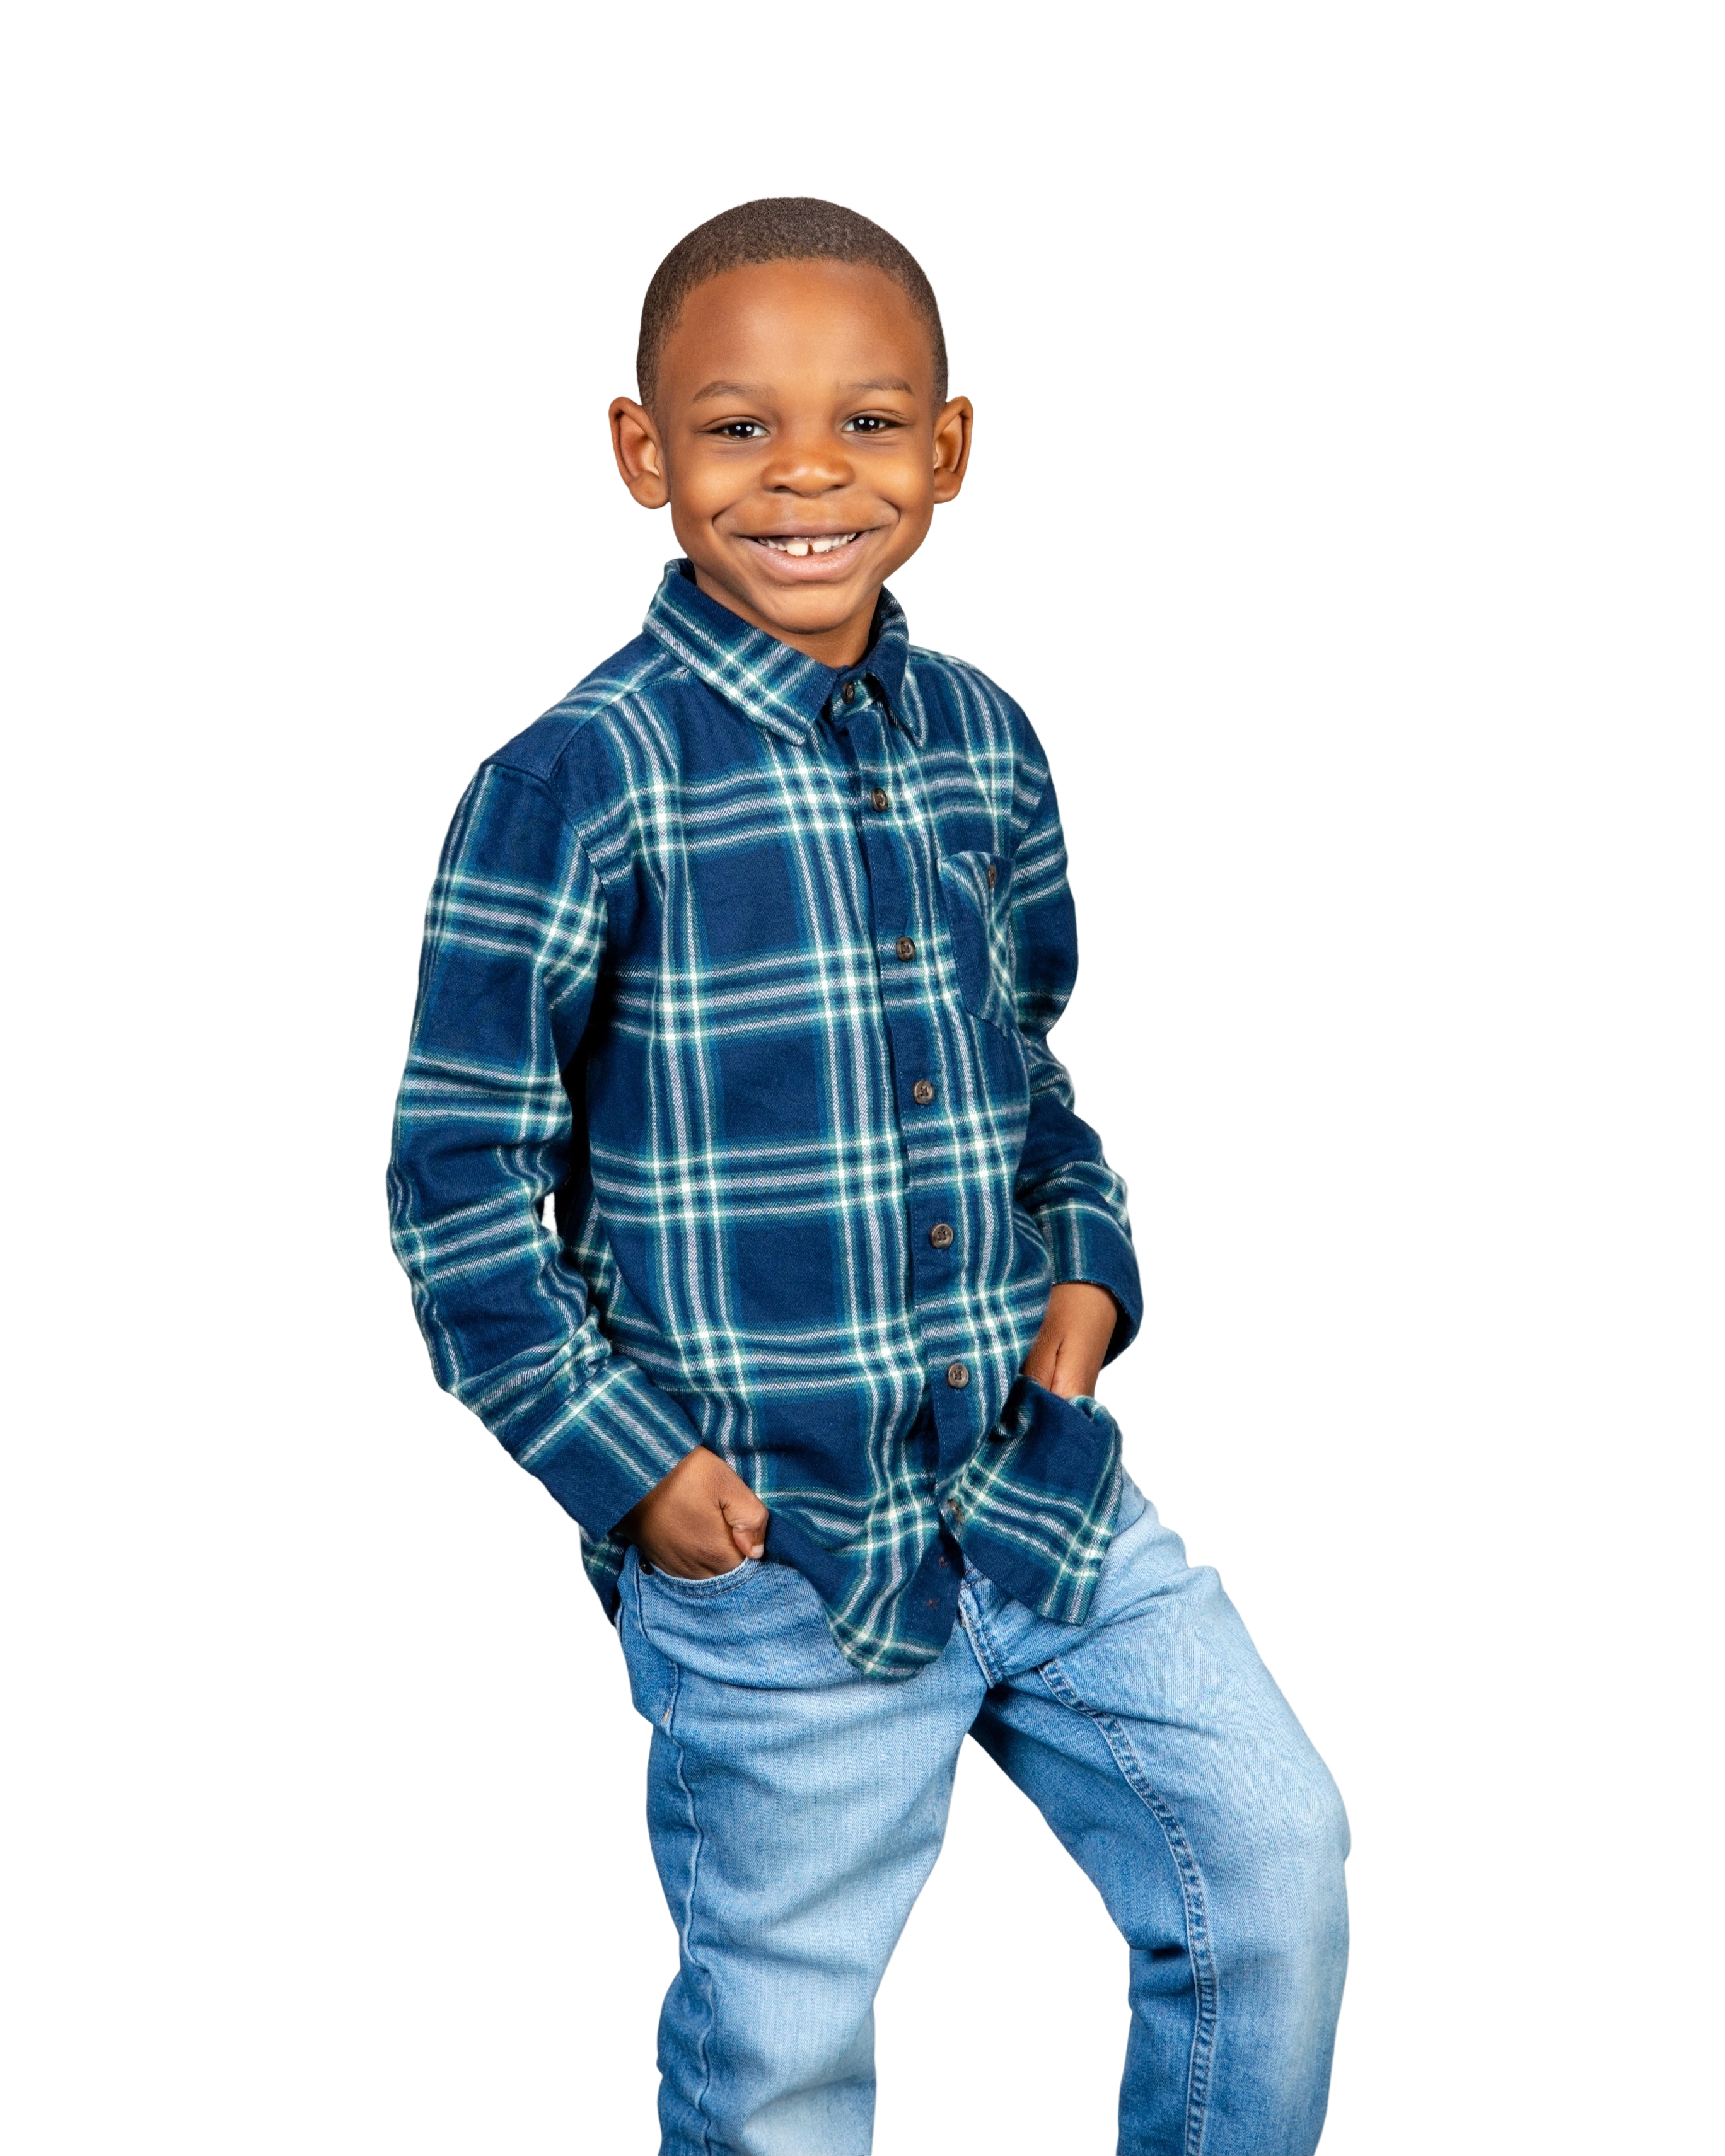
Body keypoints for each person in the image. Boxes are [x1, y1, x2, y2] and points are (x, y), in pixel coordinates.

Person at [385, 193, 1352, 2156]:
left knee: (1274, 1855)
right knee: (783, 2049)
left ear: (954, 449)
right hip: (779, 1547)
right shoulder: (574, 781)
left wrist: (1086, 1281)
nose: (808, 473)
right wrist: (635, 1471)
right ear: (641, 449)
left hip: (1039, 1485)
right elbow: (460, 1182)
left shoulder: (986, 741)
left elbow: (1030, 1064)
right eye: (740, 425)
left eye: (871, 421)